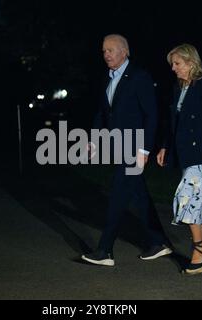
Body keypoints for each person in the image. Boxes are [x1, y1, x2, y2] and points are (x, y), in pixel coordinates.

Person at [81, 34, 173, 267]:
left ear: (125, 52)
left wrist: (144, 150)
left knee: (118, 195)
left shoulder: (139, 77)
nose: (106, 55)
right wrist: (93, 140)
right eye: (103, 51)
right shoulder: (107, 78)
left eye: (111, 50)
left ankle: (104, 250)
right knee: (139, 196)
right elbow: (103, 112)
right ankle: (158, 242)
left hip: (134, 146)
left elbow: (151, 114)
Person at [157, 44, 202, 274]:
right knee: (195, 206)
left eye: (177, 63)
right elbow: (173, 123)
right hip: (186, 154)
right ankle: (201, 252)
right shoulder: (179, 87)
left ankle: (199, 250)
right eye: (172, 64)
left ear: (190, 62)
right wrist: (165, 148)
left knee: (185, 201)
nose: (173, 68)